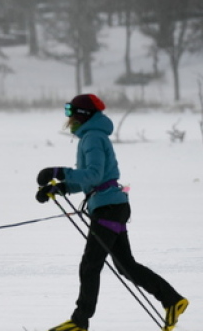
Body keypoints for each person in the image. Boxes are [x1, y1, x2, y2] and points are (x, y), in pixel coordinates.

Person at [35, 93, 189, 331]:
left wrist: (58, 172)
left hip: (108, 209)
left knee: (90, 265)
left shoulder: (92, 138)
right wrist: (62, 187)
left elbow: (94, 175)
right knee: (126, 266)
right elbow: (90, 179)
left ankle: (79, 321)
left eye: (71, 112)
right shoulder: (91, 136)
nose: (68, 118)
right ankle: (172, 300)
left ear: (83, 115)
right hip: (113, 206)